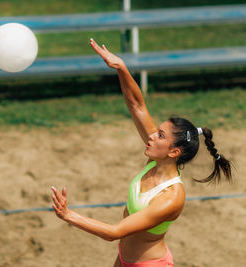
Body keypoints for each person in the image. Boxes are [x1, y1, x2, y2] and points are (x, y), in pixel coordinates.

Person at [51, 38, 232, 267]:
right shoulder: (155, 162)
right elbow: (137, 105)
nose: (152, 136)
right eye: (157, 131)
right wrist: (121, 68)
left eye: (160, 136)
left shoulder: (172, 197)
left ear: (174, 152)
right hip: (123, 259)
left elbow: (114, 232)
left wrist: (68, 215)